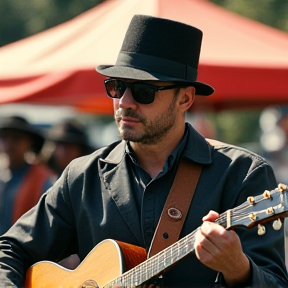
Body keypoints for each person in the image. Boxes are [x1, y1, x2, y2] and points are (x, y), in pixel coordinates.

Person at [0, 15, 287, 288]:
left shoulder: (242, 173)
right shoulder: (83, 176)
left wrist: (239, 269)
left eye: (143, 92)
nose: (125, 102)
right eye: (117, 87)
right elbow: (9, 250)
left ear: (185, 98)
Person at [0, 115, 56, 235]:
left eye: (16, 138)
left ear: (30, 143)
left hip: (22, 250)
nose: (9, 143)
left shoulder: (43, 179)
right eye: (5, 137)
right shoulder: (2, 173)